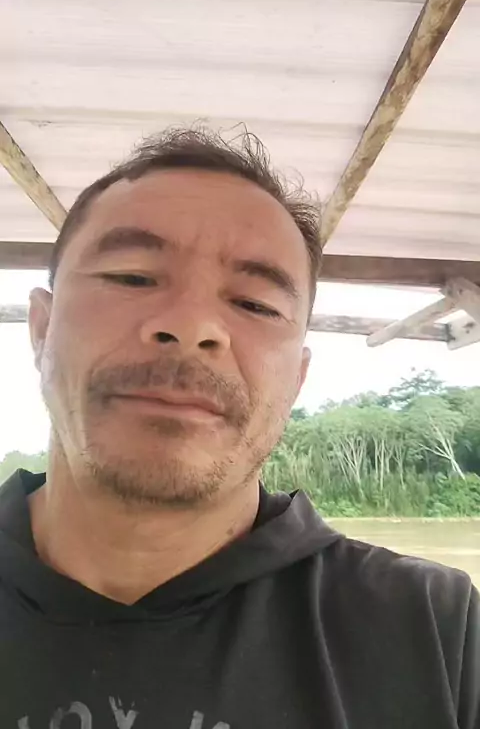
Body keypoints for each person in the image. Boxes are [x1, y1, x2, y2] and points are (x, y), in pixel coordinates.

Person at [0, 128, 478, 729]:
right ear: (41, 329)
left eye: (255, 304)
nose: (192, 326)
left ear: (296, 379)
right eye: (132, 276)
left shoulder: (438, 629)